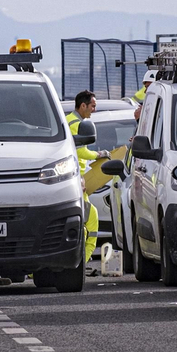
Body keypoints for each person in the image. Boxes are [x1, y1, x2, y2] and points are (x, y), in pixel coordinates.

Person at [65, 91, 110, 274]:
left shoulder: (68, 120)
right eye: (92, 106)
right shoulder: (76, 124)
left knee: (86, 221)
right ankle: (80, 262)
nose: (94, 109)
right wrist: (99, 154)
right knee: (91, 221)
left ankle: (79, 261)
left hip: (74, 179)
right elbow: (80, 151)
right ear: (82, 106)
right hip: (75, 181)